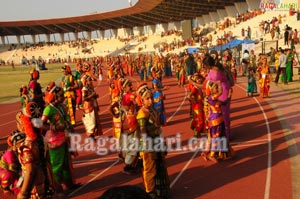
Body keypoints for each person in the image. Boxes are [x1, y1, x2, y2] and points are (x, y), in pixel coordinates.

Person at [42, 85, 79, 192]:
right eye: (61, 95)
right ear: (55, 96)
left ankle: (69, 184)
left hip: (64, 138)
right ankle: (57, 188)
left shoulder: (62, 106)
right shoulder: (48, 109)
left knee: (66, 163)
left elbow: (66, 120)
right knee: (57, 165)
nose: (63, 96)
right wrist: (54, 127)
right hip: (54, 141)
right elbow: (40, 124)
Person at [136, 83, 170, 199]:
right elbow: (143, 132)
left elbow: (158, 127)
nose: (150, 100)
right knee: (150, 169)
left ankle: (161, 191)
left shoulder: (153, 110)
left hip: (157, 141)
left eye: (151, 98)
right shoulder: (142, 113)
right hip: (148, 145)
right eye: (147, 98)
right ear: (141, 100)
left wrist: (162, 142)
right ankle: (150, 192)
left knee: (160, 166)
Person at [17, 102, 57, 199]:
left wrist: (23, 192)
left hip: (34, 185)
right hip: (46, 180)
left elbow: (30, 170)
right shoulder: (43, 139)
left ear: (24, 124)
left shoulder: (26, 146)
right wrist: (53, 183)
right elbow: (48, 162)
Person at [201, 81, 235, 162]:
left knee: (221, 136)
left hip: (220, 119)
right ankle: (212, 155)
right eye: (217, 88)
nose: (219, 89)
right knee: (215, 138)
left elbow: (224, 102)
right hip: (214, 121)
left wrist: (229, 95)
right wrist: (219, 82)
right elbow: (220, 92)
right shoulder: (211, 98)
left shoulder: (216, 99)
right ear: (213, 90)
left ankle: (219, 153)